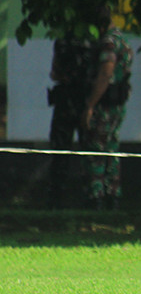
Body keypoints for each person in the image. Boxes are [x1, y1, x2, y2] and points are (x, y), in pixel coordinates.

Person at [80, 4, 133, 211]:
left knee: (96, 151)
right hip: (118, 106)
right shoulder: (122, 40)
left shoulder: (108, 43)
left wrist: (90, 105)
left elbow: (105, 74)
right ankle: (113, 197)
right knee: (112, 151)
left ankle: (97, 199)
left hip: (104, 106)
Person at [47, 36, 95, 208]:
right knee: (90, 154)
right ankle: (93, 198)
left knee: (60, 155)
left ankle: (55, 200)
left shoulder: (62, 42)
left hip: (66, 105)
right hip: (84, 103)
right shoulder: (95, 40)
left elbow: (55, 73)